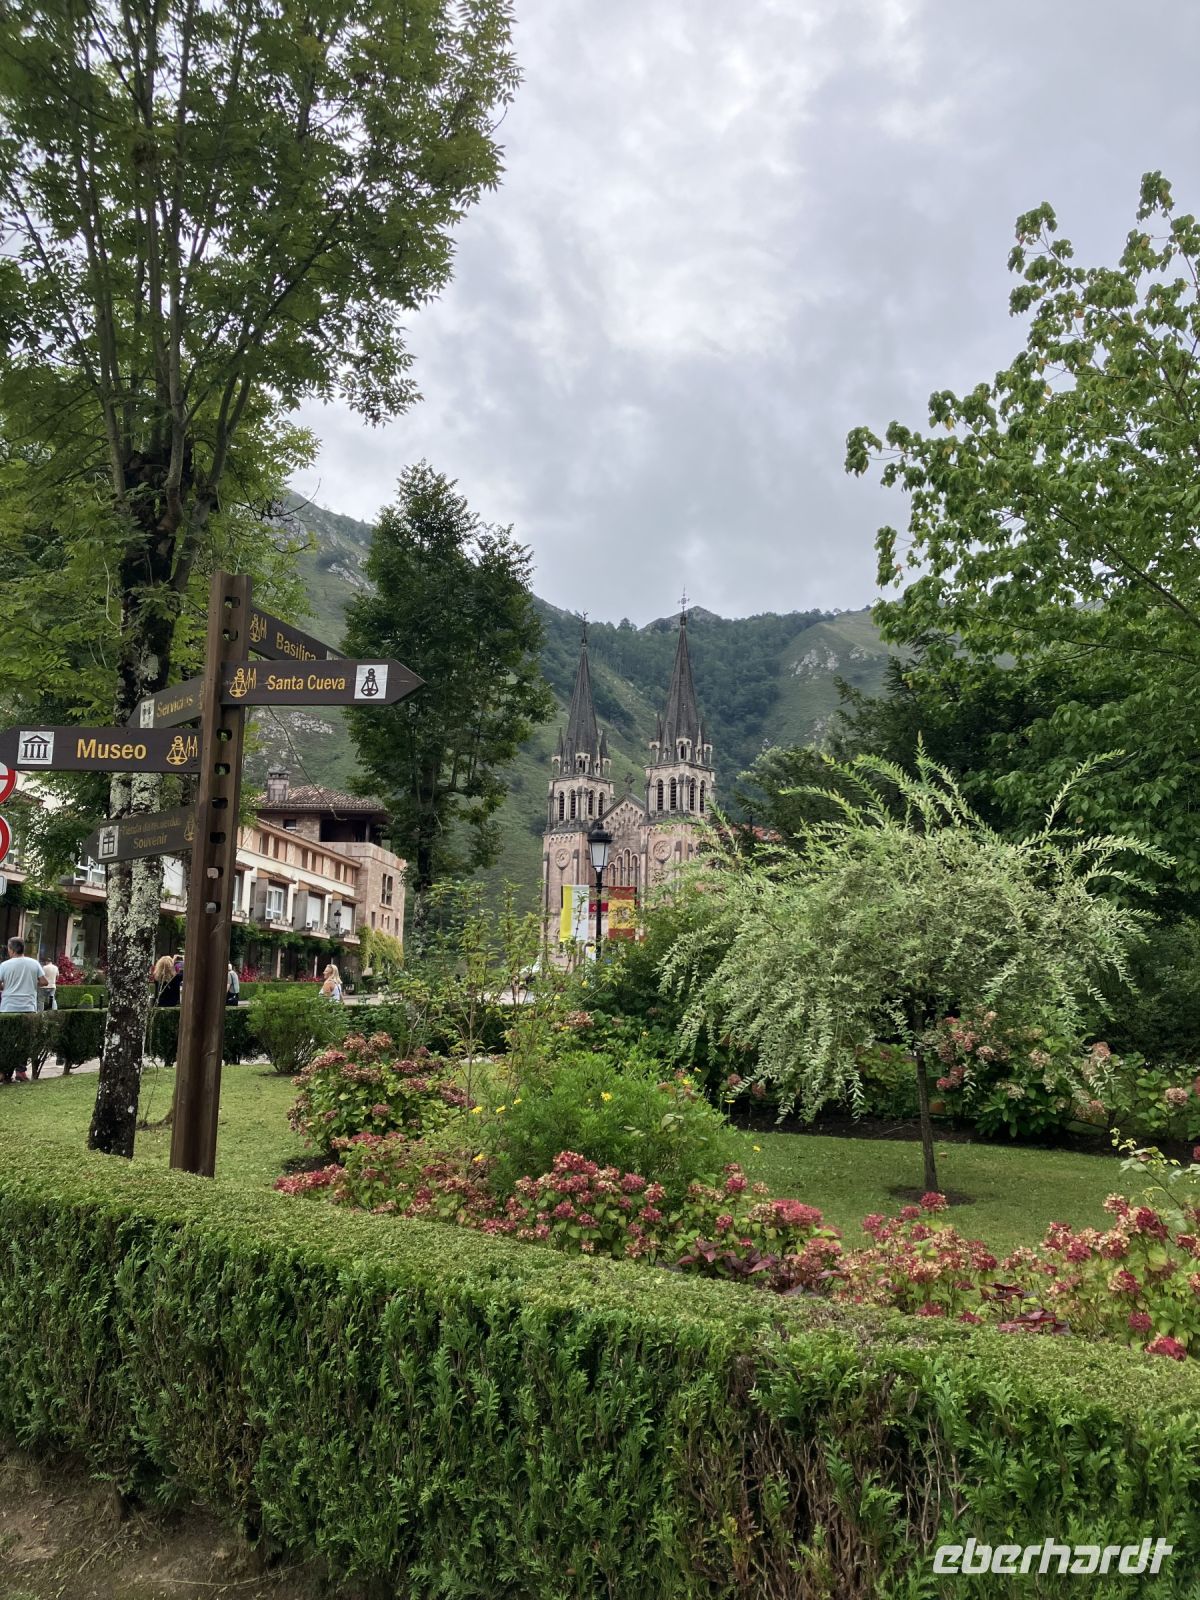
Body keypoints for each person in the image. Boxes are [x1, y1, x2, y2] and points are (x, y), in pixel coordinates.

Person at [0, 936, 49, 1082]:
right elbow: (44, 981)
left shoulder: (4, 965)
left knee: (7, 1040)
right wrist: (31, 983)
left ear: (11, 949)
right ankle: (21, 1071)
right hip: (28, 1006)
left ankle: (4, 1071)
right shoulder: (34, 963)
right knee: (24, 1040)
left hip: (8, 1007)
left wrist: (6, 986)